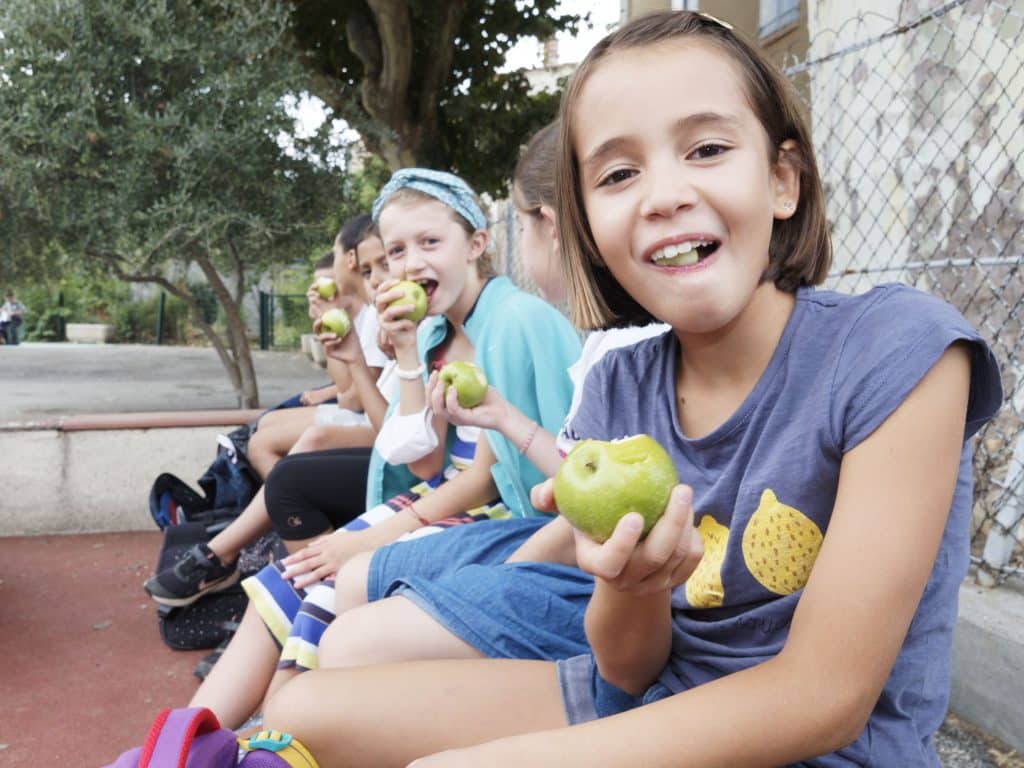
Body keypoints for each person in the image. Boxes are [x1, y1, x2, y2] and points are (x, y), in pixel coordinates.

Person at [250, 11, 1002, 768]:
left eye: (706, 149)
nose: (663, 195)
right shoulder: (620, 386)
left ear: (782, 180)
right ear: (590, 229)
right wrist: (636, 589)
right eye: (618, 174)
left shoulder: (896, 350)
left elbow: (823, 700)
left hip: (821, 749)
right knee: (299, 711)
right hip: (654, 692)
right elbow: (628, 667)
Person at [183, 168, 581, 729]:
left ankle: (271, 735)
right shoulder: (439, 331)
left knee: (322, 594)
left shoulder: (515, 323)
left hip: (502, 519)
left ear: (476, 243)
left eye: (430, 243)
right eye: (397, 250)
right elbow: (419, 460)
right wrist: (407, 352)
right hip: (445, 499)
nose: (412, 263)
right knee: (285, 579)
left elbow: (489, 479)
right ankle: (185, 742)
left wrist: (372, 537)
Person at [143, 218, 391, 607]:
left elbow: (355, 401)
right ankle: (265, 539)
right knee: (267, 435)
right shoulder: (384, 313)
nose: (377, 278)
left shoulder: (387, 315)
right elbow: (349, 391)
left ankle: (240, 549)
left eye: (386, 263)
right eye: (371, 268)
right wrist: (330, 331)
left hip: (384, 433)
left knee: (292, 456)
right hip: (382, 425)